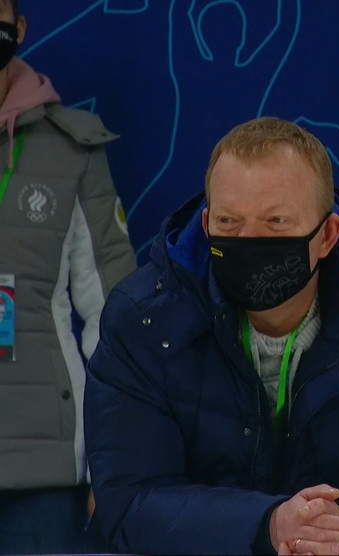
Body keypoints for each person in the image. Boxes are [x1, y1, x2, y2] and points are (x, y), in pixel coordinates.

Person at [84, 117, 339, 555]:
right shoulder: (143, 322)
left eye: (276, 221)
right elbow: (129, 504)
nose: (250, 241)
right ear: (207, 225)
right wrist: (269, 526)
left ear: (328, 235)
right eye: (229, 222)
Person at [0, 0, 137, 553]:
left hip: (44, 469)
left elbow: (115, 317)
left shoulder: (70, 148)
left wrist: (115, 458)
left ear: (18, 27)